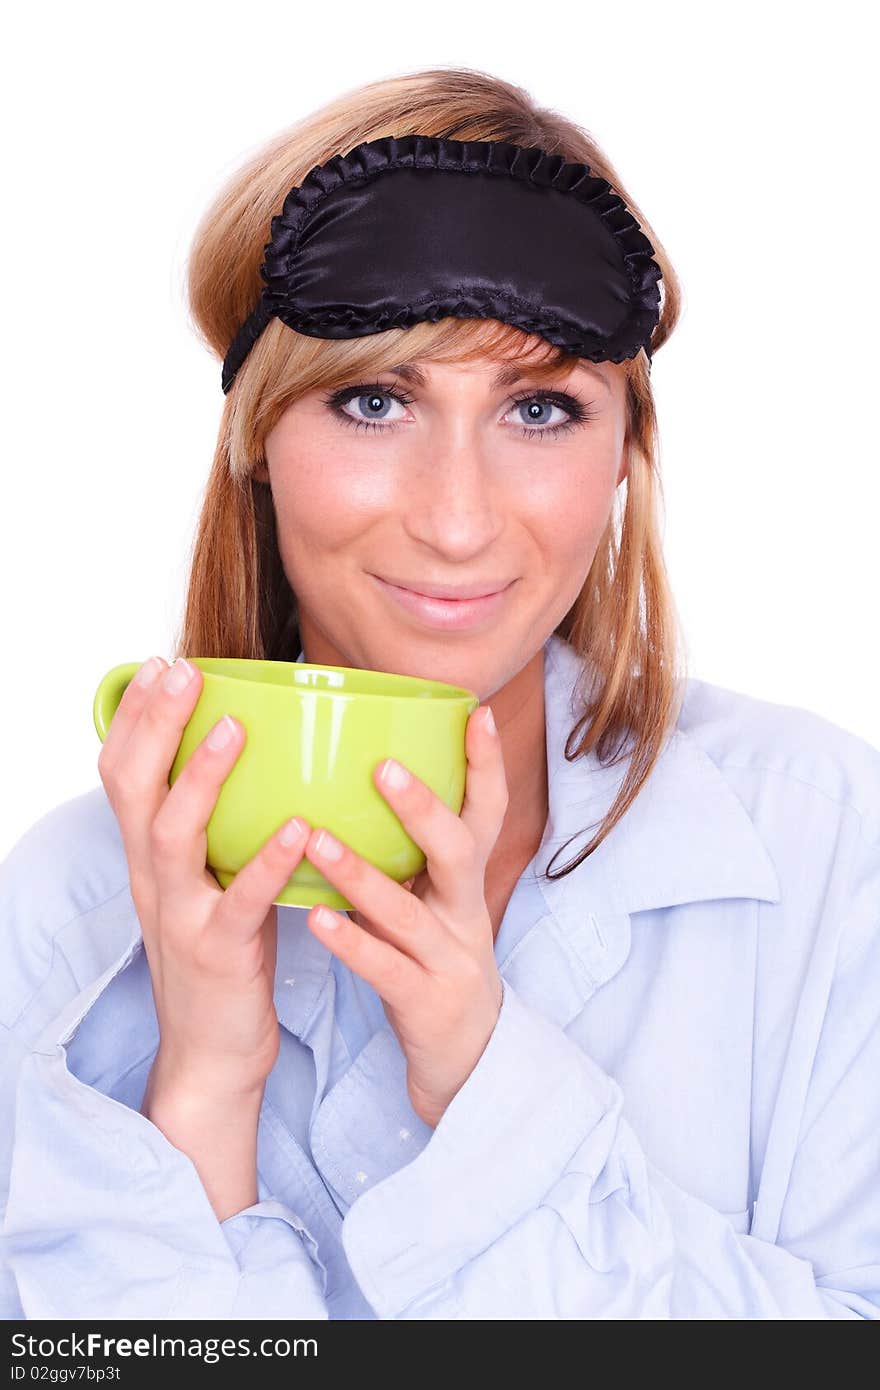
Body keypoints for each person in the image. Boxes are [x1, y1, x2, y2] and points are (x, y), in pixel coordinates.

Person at [2, 66, 878, 1322]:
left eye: (539, 408)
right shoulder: (68, 911)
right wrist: (200, 1088)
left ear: (625, 454)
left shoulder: (829, 844)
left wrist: (490, 1082)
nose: (458, 522)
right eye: (374, 400)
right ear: (257, 437)